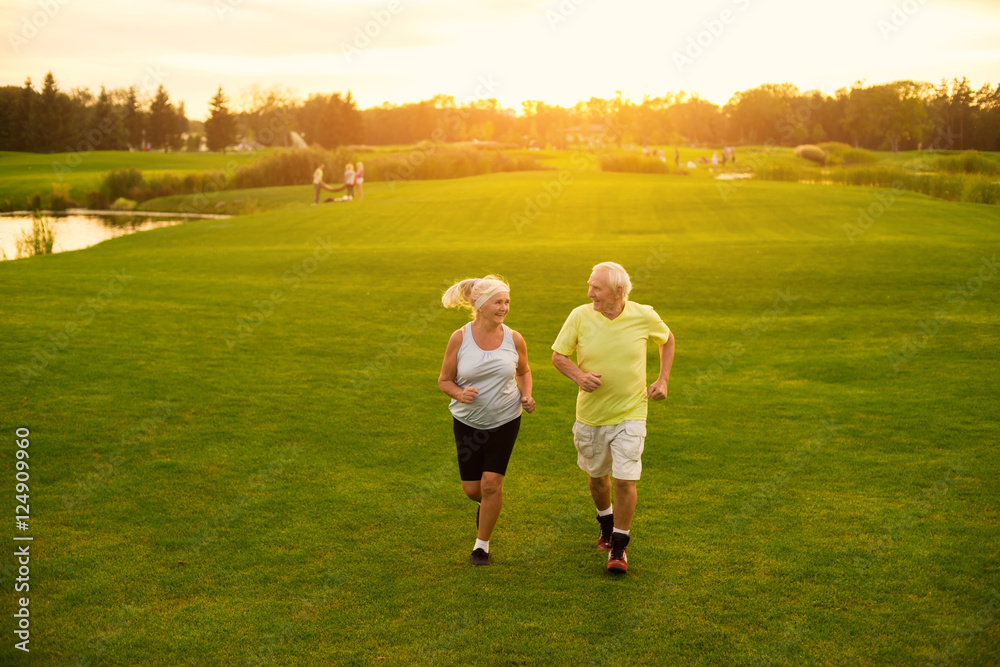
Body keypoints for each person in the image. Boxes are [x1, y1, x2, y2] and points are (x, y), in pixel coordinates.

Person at [551, 262, 674, 574]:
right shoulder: (579, 315)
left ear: (618, 292)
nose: (589, 292)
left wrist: (662, 380)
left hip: (632, 413)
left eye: (596, 288)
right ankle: (605, 522)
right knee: (597, 478)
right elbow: (558, 356)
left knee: (624, 479)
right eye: (590, 285)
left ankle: (619, 547)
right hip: (591, 415)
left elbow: (667, 339)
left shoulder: (644, 315)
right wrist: (579, 376)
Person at [438, 275, 535, 566]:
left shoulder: (514, 338)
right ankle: (486, 504)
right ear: (480, 305)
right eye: (497, 302)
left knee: (492, 483)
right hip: (467, 421)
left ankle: (481, 546)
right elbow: (444, 381)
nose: (504, 307)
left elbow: (524, 371)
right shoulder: (460, 337)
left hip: (505, 419)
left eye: (506, 301)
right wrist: (460, 393)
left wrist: (526, 395)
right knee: (473, 489)